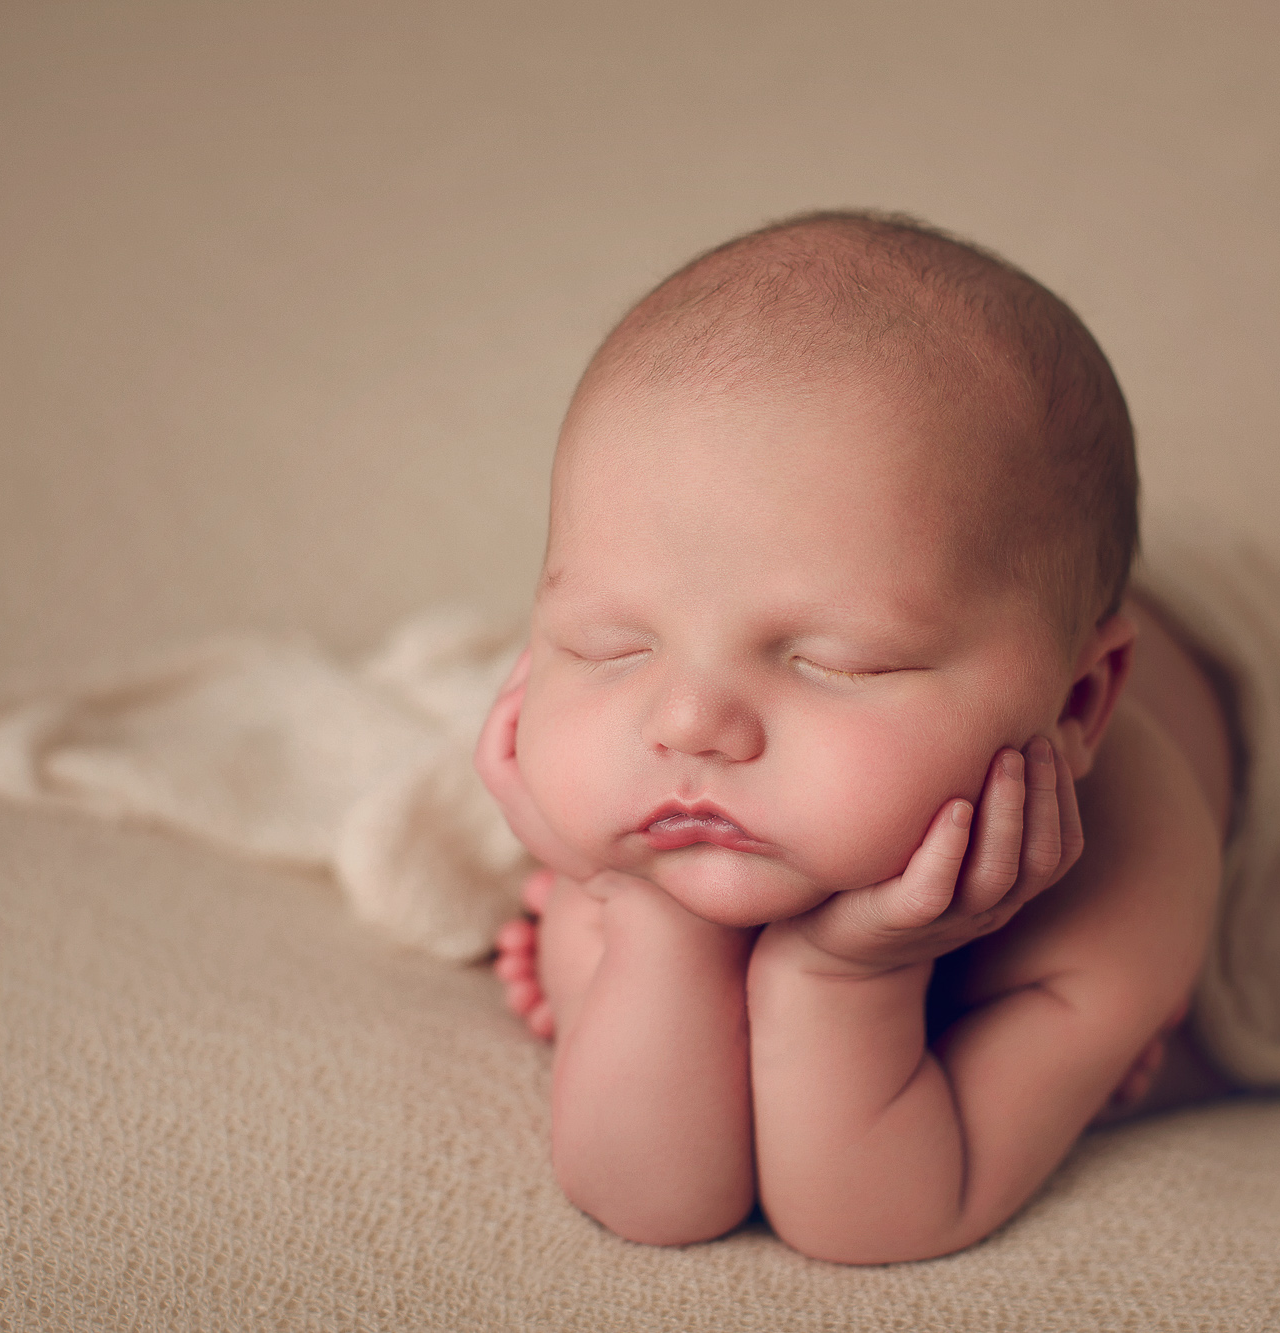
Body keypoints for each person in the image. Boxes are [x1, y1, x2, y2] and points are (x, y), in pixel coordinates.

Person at [477, 210, 1235, 1264]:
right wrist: (648, 919)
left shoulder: (1123, 883)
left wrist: (843, 981)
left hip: (1222, 656)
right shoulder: (632, 833)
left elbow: (876, 1216)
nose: (686, 723)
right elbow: (652, 1196)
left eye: (839, 662)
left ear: (1072, 708)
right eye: (606, 645)